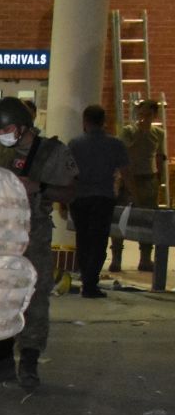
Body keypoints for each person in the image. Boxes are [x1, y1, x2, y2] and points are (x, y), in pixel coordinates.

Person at [0, 95, 75, 390]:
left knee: (34, 299)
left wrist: (40, 187)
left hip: (33, 233)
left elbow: (71, 193)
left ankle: (30, 362)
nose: (2, 137)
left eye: (7, 131)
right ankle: (3, 358)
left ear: (22, 127)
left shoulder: (51, 152)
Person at [68, 105, 129, 299]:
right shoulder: (115, 144)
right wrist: (135, 195)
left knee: (83, 239)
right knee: (98, 241)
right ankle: (90, 283)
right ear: (104, 122)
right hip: (103, 198)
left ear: (85, 121)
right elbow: (126, 172)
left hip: (79, 198)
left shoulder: (74, 144)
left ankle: (86, 278)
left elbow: (67, 173)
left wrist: (63, 199)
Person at [116, 99, 166, 273]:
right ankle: (116, 258)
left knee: (147, 219)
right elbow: (124, 151)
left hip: (148, 178)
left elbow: (159, 156)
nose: (144, 118)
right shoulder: (129, 131)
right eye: (141, 114)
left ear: (154, 115)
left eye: (148, 115)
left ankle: (145, 258)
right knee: (121, 217)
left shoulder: (158, 133)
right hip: (129, 176)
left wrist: (159, 179)